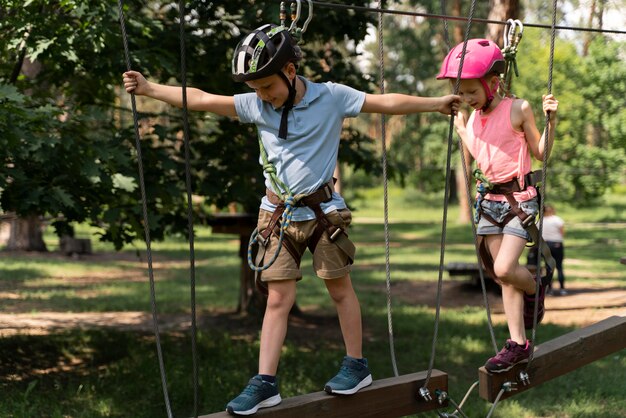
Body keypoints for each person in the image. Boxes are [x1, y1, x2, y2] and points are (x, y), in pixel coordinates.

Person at [123, 24, 460, 415]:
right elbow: (200, 98)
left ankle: (356, 365)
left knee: (338, 288)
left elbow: (385, 102)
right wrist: (150, 89)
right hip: (278, 217)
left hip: (323, 214)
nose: (262, 95)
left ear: (289, 72)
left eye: (267, 85)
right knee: (278, 299)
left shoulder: (331, 97)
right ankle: (265, 383)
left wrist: (434, 103)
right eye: (255, 88)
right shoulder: (255, 105)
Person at [437, 38, 558, 373]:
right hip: (489, 202)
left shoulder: (518, 108)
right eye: (461, 93)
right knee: (501, 276)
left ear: (493, 83)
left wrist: (551, 122)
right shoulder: (472, 118)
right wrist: (463, 131)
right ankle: (518, 344)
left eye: (471, 91)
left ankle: (536, 287)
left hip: (519, 200)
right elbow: (482, 158)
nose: (466, 99)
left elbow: (541, 154)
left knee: (506, 269)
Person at [541, 205, 566, 295]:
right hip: (557, 244)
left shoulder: (541, 220)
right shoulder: (557, 219)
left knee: (548, 267)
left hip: (545, 245)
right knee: (559, 266)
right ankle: (562, 288)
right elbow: (562, 232)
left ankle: (549, 289)